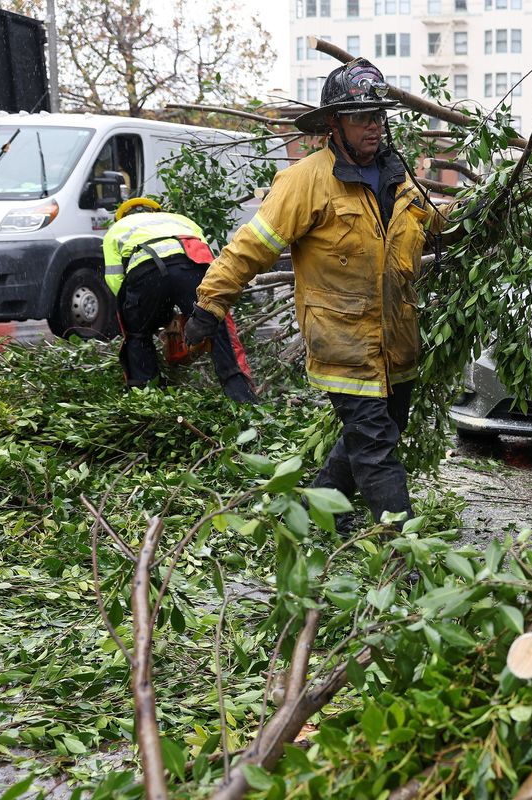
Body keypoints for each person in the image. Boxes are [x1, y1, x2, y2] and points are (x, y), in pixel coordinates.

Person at [185, 58, 451, 527]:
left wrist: (480, 212)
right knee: (375, 445)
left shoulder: (397, 175)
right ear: (335, 123)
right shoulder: (305, 181)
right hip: (343, 340)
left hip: (397, 340)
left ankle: (316, 510)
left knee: (381, 429)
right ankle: (408, 550)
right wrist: (211, 302)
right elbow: (252, 246)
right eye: (360, 117)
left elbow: (431, 224)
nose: (373, 126)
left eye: (377, 116)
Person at [102, 197, 259, 404]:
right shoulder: (180, 219)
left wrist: (148, 313)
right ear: (156, 211)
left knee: (136, 334)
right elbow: (206, 261)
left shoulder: (117, 229)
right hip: (194, 266)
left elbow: (116, 282)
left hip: (146, 272)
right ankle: (243, 398)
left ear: (121, 216)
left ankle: (147, 398)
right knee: (217, 324)